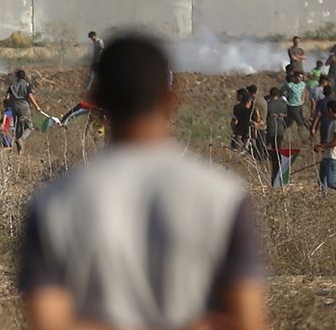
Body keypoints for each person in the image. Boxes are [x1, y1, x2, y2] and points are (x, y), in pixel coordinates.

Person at [17, 34, 267, 330]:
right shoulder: (223, 195)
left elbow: (50, 322)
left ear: (97, 100)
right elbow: (248, 320)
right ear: (171, 98)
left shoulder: (52, 202)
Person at [7, 70, 41, 153]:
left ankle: (19, 151)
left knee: (17, 125)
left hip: (14, 106)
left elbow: (7, 97)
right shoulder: (27, 84)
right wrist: (36, 106)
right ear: (24, 76)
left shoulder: (12, 85)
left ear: (17, 76)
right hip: (24, 106)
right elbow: (30, 95)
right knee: (29, 126)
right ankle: (21, 138)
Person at [266, 87, 289, 186]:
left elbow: (265, 117)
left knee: (272, 151)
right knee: (278, 149)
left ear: (271, 95)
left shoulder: (268, 105)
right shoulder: (283, 105)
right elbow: (286, 115)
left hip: (271, 130)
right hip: (280, 130)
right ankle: (279, 167)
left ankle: (275, 171)